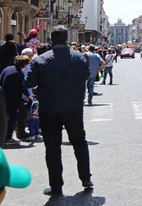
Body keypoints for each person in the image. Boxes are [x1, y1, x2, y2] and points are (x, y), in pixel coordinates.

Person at [25, 26, 93, 196]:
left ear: (51, 39)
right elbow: (85, 76)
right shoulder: (79, 58)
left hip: (49, 109)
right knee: (79, 143)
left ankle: (56, 186)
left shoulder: (40, 60)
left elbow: (28, 81)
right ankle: (86, 178)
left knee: (53, 148)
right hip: (74, 108)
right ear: (66, 39)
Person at [0, 56, 31, 145]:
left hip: (2, 96)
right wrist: (28, 96)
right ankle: (8, 137)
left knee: (2, 117)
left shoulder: (8, 68)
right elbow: (22, 87)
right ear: (24, 64)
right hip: (12, 99)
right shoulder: (19, 73)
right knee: (12, 117)